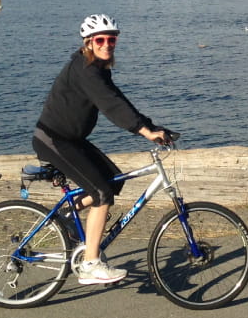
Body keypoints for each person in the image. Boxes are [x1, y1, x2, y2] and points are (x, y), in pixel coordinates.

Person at [32, 14, 171, 285]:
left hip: (71, 139)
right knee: (101, 193)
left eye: (112, 39)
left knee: (112, 181)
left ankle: (68, 214)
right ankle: (90, 265)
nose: (107, 44)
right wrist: (144, 132)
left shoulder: (97, 69)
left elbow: (119, 99)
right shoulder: (85, 70)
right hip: (53, 139)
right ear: (89, 42)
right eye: (101, 40)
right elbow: (111, 106)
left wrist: (152, 126)